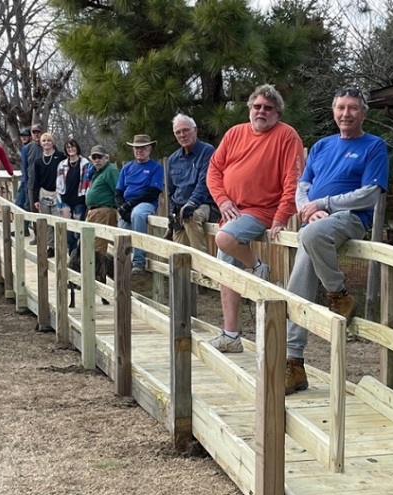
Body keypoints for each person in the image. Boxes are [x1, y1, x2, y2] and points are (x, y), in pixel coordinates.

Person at [283, 87, 389, 394]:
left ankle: (338, 294)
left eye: (353, 108)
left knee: (310, 235)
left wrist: (324, 204)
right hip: (316, 222)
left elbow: (369, 194)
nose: (346, 113)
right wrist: (308, 208)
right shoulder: (321, 146)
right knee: (299, 276)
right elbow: (302, 187)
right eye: (341, 107)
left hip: (351, 218)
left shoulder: (374, 146)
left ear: (363, 113)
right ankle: (294, 362)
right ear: (333, 111)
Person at [205, 84, 305, 353]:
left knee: (224, 239)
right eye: (257, 106)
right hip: (233, 211)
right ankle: (230, 335)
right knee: (226, 267)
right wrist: (222, 200)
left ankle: (258, 267)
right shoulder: (234, 133)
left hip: (262, 211)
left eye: (268, 108)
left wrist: (282, 216)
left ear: (277, 113)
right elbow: (214, 169)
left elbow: (293, 178)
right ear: (250, 108)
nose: (261, 111)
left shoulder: (287, 136)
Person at [166, 114, 218, 253]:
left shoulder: (207, 151)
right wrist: (172, 213)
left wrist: (192, 203)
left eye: (185, 130)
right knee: (178, 253)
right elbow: (171, 191)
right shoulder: (173, 159)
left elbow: (205, 182)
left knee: (191, 216)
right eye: (178, 132)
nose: (182, 135)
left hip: (202, 204)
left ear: (195, 130)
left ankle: (201, 262)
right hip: (180, 208)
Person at [115, 134, 164, 274]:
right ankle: (122, 264)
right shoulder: (126, 168)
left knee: (137, 215)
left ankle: (139, 261)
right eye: (136, 148)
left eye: (143, 148)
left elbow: (153, 192)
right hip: (127, 203)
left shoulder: (156, 167)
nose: (139, 151)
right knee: (122, 227)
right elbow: (118, 191)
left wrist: (129, 205)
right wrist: (121, 207)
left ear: (149, 149)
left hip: (145, 202)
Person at [32, 132, 65, 258]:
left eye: (49, 140)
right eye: (44, 141)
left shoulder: (60, 156)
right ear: (41, 143)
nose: (46, 143)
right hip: (44, 193)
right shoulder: (38, 161)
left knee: (58, 222)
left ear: (53, 142)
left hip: (58, 193)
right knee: (47, 223)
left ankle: (60, 246)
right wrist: (35, 199)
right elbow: (36, 181)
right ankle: (50, 247)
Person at [57, 138, 91, 256]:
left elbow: (88, 181)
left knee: (78, 229)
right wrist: (60, 199)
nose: (71, 149)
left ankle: (79, 254)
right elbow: (59, 182)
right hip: (65, 200)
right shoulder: (62, 164)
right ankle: (72, 253)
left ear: (77, 148)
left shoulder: (85, 163)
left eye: (73, 147)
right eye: (68, 147)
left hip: (79, 200)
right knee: (68, 229)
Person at [85, 145, 120, 256]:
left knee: (99, 248)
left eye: (100, 157)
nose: (97, 160)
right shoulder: (97, 172)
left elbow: (118, 191)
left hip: (104, 212)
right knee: (89, 245)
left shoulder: (111, 171)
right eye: (94, 158)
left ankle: (100, 268)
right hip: (94, 212)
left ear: (106, 158)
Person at [25, 123, 45, 242]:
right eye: (34, 132)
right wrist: (26, 182)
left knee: (46, 212)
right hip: (31, 184)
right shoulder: (27, 148)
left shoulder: (47, 145)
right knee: (34, 211)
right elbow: (24, 166)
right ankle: (37, 236)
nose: (36, 134)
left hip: (45, 185)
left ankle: (48, 239)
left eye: (38, 132)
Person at [15, 127, 32, 235]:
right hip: (24, 180)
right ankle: (22, 228)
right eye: (22, 136)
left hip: (28, 181)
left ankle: (24, 229)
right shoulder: (23, 148)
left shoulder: (29, 147)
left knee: (25, 205)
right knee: (19, 204)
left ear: (30, 136)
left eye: (26, 135)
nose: (24, 137)